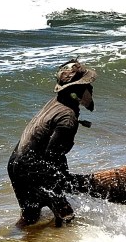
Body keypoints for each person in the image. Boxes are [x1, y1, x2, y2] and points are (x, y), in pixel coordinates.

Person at [8, 59, 96, 227]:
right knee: (66, 215)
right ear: (78, 90)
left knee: (30, 217)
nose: (91, 88)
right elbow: (53, 156)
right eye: (88, 85)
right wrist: (63, 185)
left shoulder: (57, 102)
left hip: (16, 164)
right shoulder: (68, 118)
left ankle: (13, 240)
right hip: (34, 168)